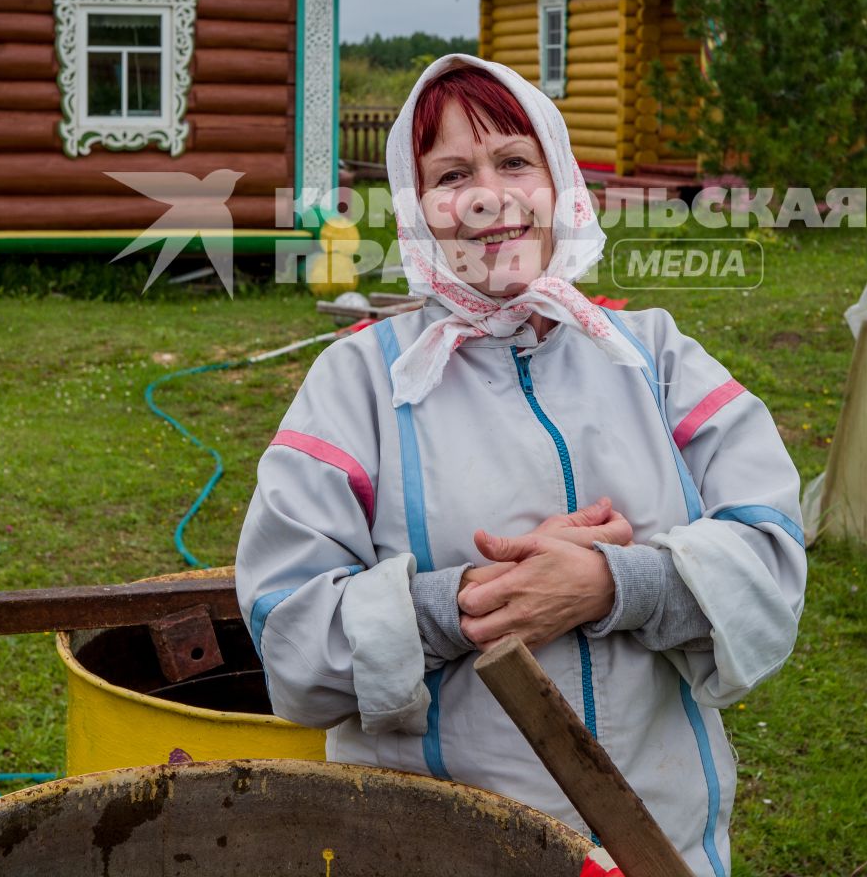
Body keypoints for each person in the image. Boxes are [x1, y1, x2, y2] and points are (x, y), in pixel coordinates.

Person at [235, 54, 807, 875]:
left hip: (660, 845)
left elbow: (773, 559)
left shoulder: (656, 357)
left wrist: (612, 584)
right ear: (416, 206)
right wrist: (470, 604)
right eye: (451, 174)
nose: (485, 197)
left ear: (559, 183)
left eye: (513, 162)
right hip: (438, 851)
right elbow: (288, 636)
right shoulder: (359, 383)